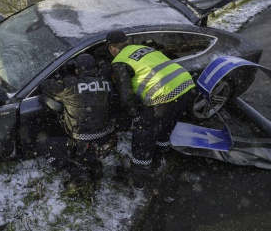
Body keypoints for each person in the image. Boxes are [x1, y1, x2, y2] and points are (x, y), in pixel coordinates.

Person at [105, 30, 195, 193]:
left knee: (142, 134)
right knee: (165, 125)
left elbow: (126, 97)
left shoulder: (119, 61)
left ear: (112, 48)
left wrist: (135, 115)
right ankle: (158, 158)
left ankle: (138, 179)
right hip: (185, 86)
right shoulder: (143, 48)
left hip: (164, 96)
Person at [38, 54, 114, 193]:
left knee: (43, 144)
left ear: (77, 70)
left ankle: (77, 173)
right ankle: (93, 164)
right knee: (88, 150)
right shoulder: (105, 82)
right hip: (105, 136)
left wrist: (63, 77)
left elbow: (45, 85)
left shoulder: (70, 85)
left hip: (82, 140)